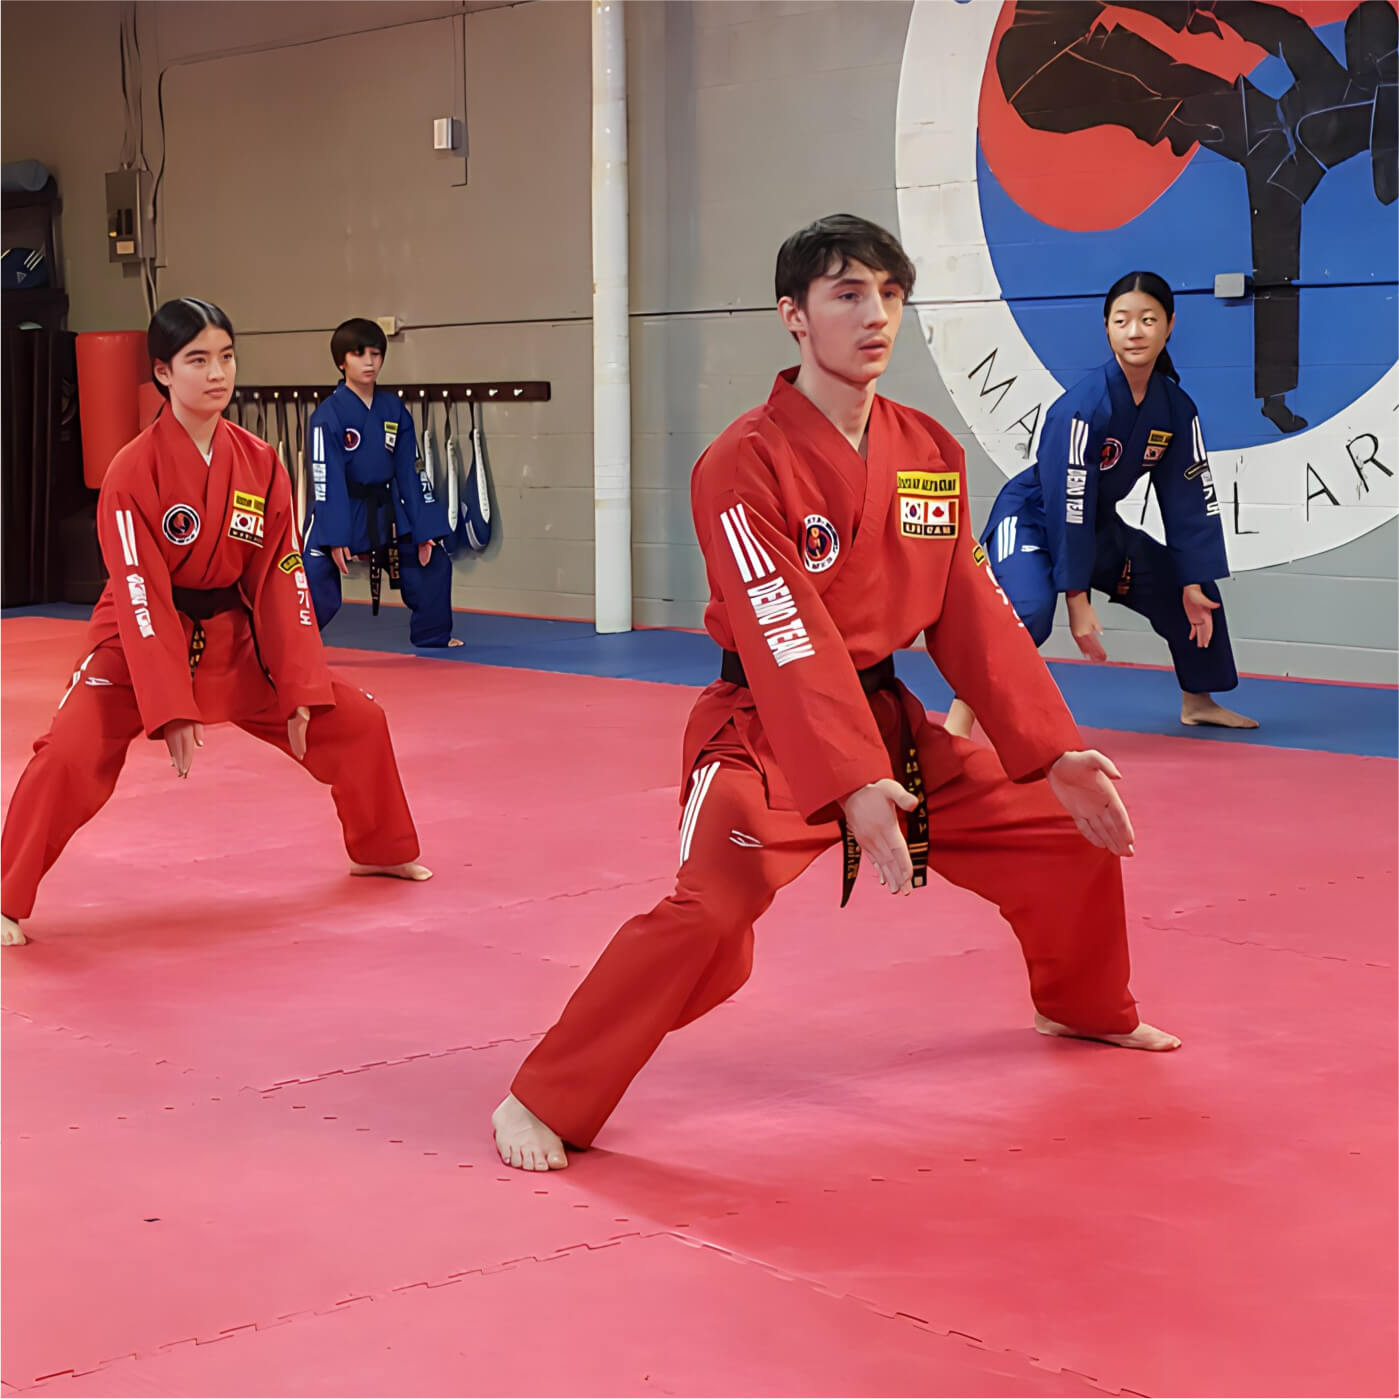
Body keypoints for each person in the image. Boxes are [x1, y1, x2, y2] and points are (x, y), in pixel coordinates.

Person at [491, 215, 1180, 1174]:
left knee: (1062, 830)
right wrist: (852, 780)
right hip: (767, 729)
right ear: (794, 316)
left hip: (888, 716)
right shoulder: (743, 461)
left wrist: (1051, 748)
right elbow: (785, 633)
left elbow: (968, 607)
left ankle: (1081, 1004)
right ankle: (543, 1093)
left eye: (889, 296)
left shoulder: (926, 445)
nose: (875, 317)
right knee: (711, 917)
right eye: (848, 295)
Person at [0, 298, 430, 948]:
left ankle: (379, 846)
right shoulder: (131, 471)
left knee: (357, 722)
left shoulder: (259, 461)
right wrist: (171, 705)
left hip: (234, 640)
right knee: (66, 756)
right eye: (197, 359)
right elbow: (139, 588)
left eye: (225, 356)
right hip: (136, 643)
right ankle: (5, 894)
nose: (216, 372)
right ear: (163, 372)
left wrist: (301, 683)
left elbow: (281, 576)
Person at [946, 272, 1256, 740]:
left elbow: (1189, 496)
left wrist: (1192, 578)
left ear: (1169, 325)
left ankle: (1199, 700)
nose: (1135, 331)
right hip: (1033, 517)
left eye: (1149, 319)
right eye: (1123, 320)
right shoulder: (1083, 409)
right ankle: (957, 726)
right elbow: (1066, 502)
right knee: (1025, 613)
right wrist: (1076, 599)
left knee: (1191, 589)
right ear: (1107, 328)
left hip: (1093, 525)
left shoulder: (1175, 409)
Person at [303, 318, 461, 648]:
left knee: (433, 561)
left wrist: (424, 528)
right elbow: (325, 478)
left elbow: (410, 470)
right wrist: (334, 535)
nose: (370, 362)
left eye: (376, 354)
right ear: (341, 362)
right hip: (343, 505)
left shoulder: (393, 409)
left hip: (386, 508)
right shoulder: (327, 416)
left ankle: (433, 635)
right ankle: (292, 648)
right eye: (359, 355)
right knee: (313, 576)